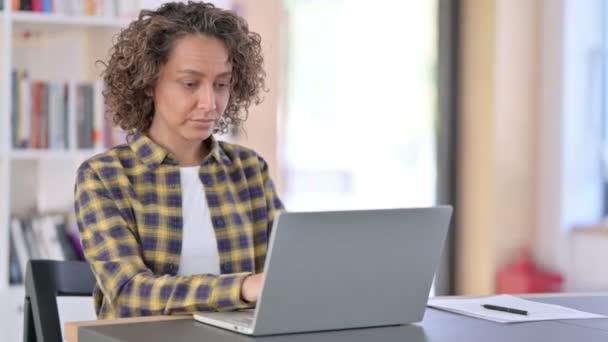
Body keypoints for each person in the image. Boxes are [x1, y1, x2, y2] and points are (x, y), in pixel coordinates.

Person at [74, 1, 284, 319]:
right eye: (190, 84)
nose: (209, 103)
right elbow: (131, 293)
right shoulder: (104, 177)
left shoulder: (250, 170)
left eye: (222, 84)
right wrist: (242, 287)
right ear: (148, 83)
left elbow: (287, 274)